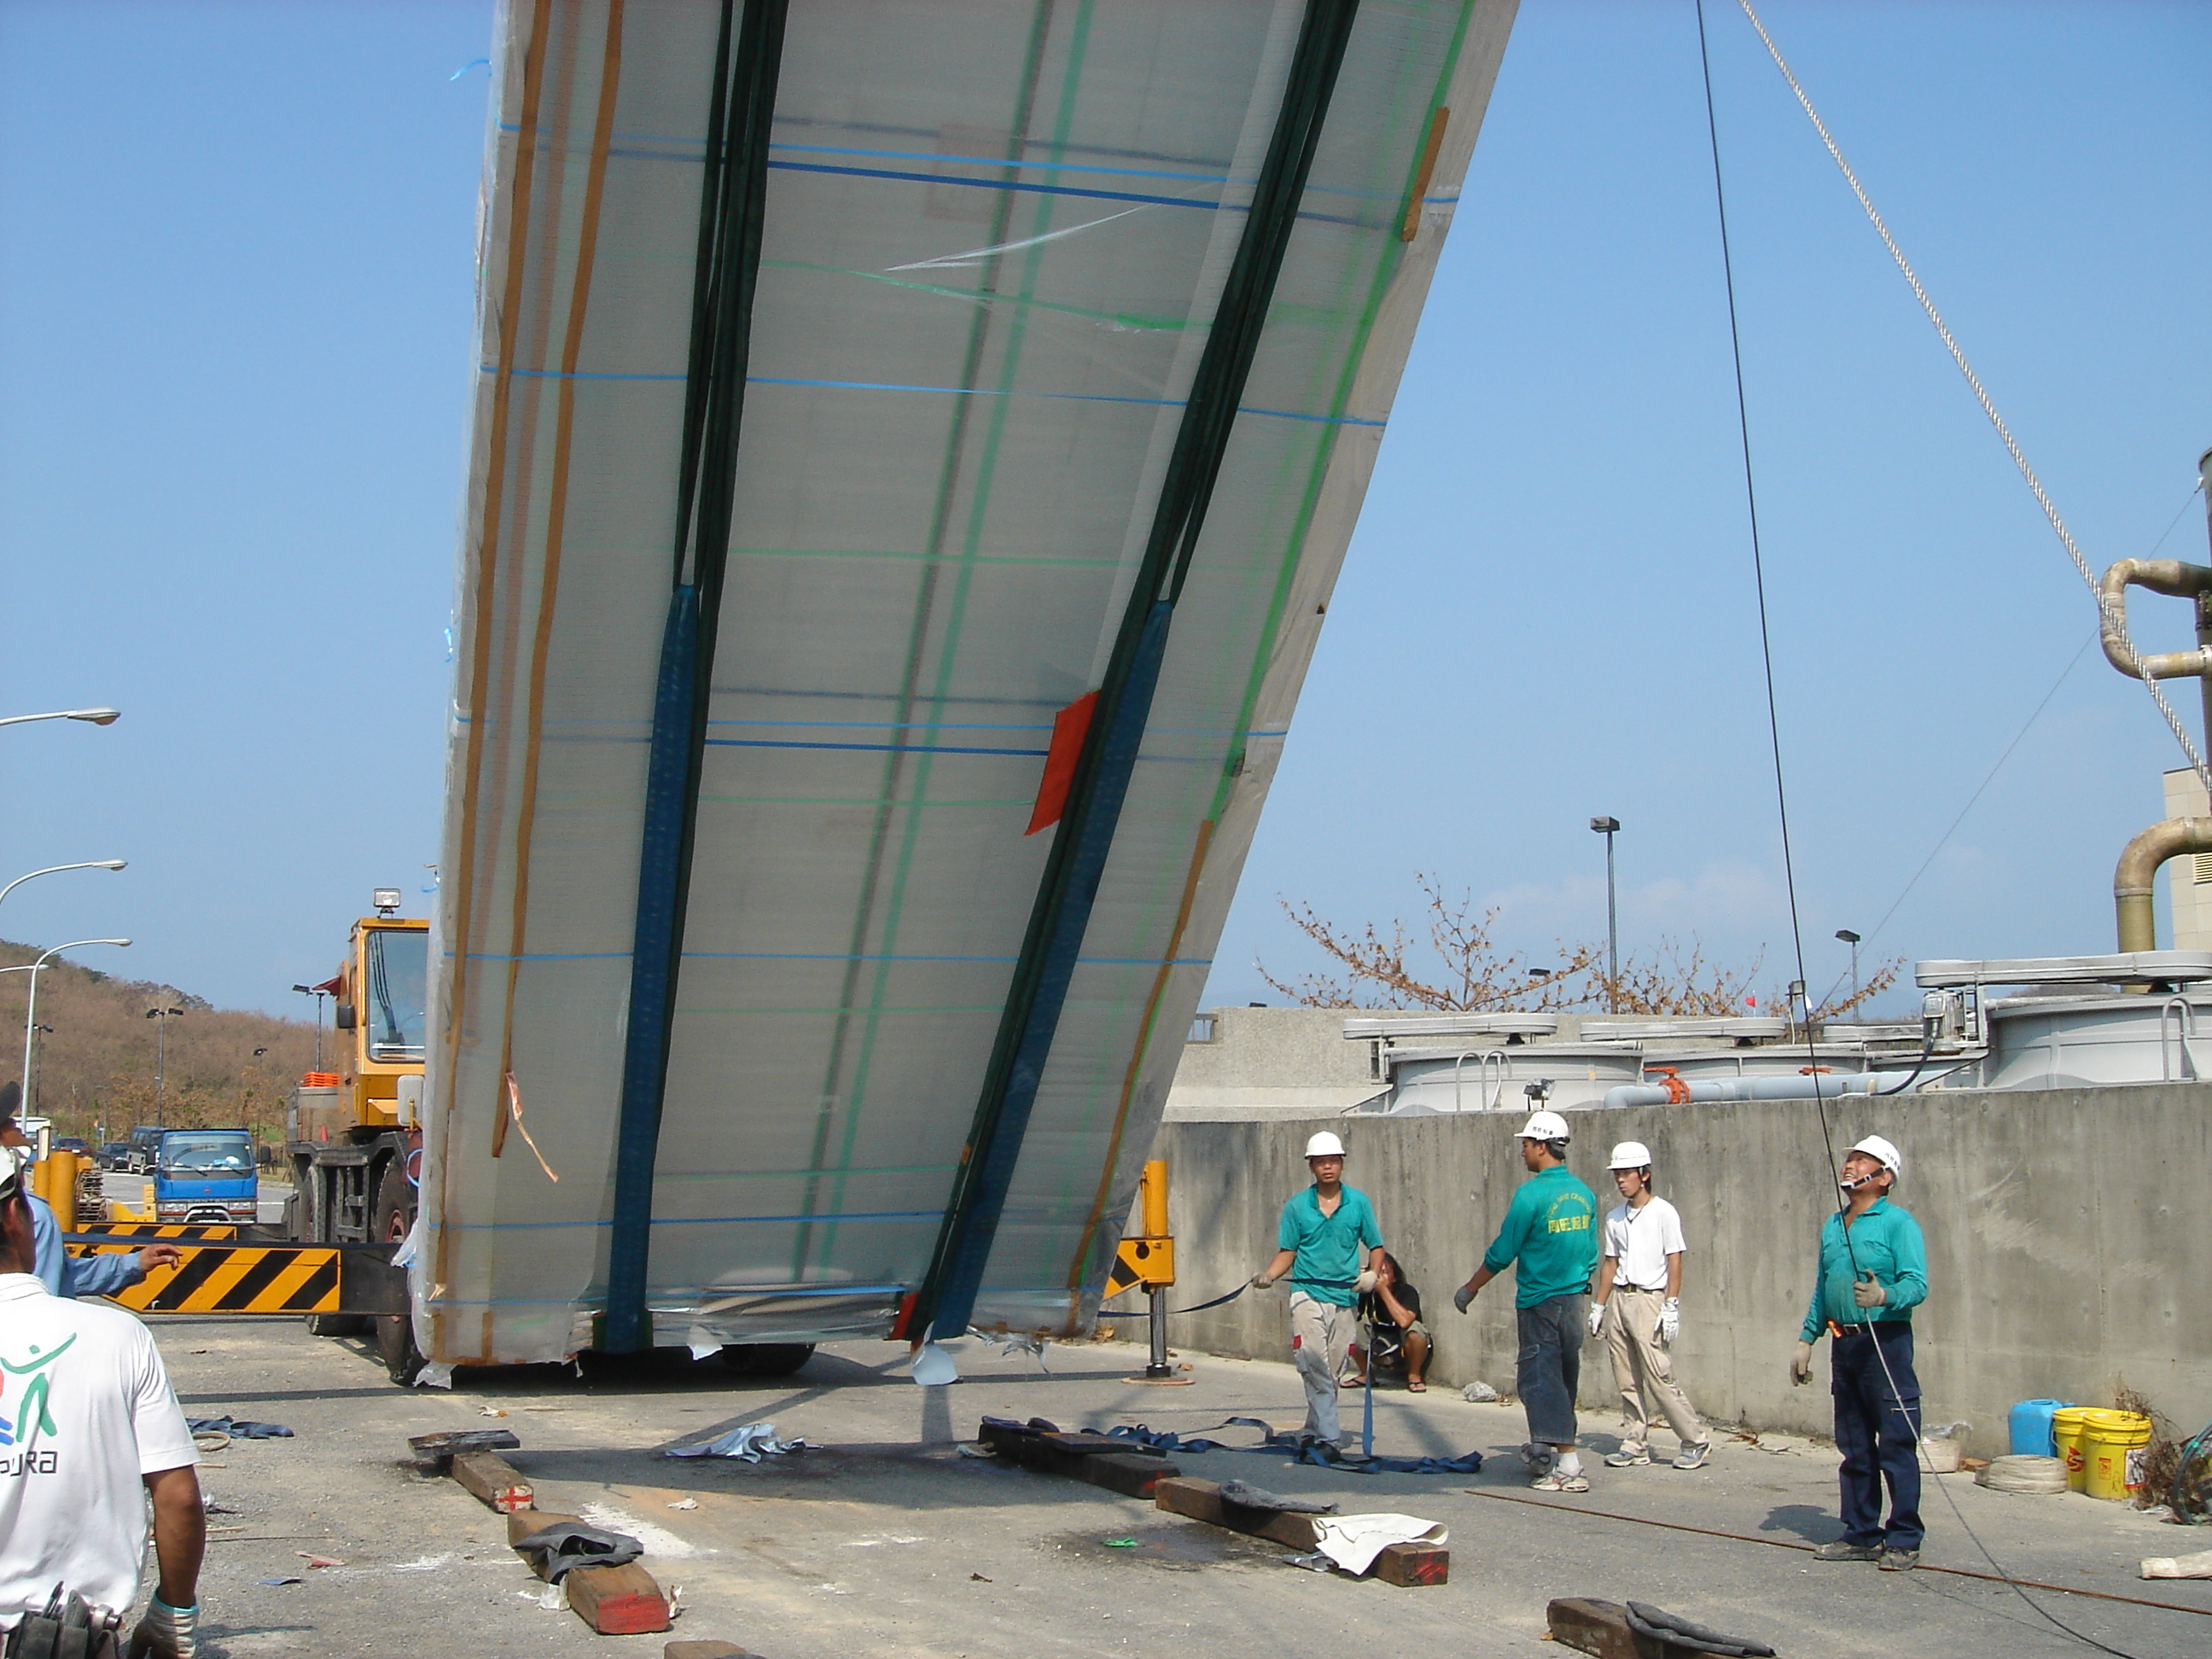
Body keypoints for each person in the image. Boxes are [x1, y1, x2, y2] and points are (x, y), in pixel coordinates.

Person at [0, 1146, 206, 1655]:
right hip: (67, 1639)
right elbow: (178, 1496)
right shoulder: (117, 1338)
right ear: (14, 1217)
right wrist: (173, 1615)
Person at [1791, 1133, 1927, 1573]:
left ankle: (1904, 1537)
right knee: (1854, 1446)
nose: (1849, 1166)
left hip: (1884, 1343)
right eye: (1849, 1158)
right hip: (1843, 1343)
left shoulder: (1898, 1224)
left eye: (1862, 1160)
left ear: (1883, 1177)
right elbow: (1822, 1286)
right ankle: (1861, 1533)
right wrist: (1806, 1339)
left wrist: (1885, 1294)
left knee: (1896, 1444)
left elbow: (1918, 1284)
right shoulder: (1834, 1225)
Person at [1452, 1109, 1598, 1493]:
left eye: (1527, 1145)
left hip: (1540, 1302)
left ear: (1542, 1145)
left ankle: (1567, 1463)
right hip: (1573, 1299)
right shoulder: (1583, 1194)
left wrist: (1471, 1288)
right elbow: (1591, 1252)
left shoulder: (1530, 1195)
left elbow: (1503, 1251)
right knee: (1565, 1378)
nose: (1522, 1152)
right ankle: (1547, 1450)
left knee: (1540, 1379)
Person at [1251, 1131, 1385, 1452]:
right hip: (1306, 1294)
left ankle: (1313, 1429)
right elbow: (1289, 1251)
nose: (1328, 1168)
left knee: (1335, 1369)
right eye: (1321, 1162)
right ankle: (1329, 1436)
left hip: (1345, 1297)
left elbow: (1376, 1245)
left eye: (1333, 1162)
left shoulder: (1359, 1203)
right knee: (1314, 1364)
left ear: (1341, 1164)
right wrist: (1269, 1275)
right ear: (1311, 1166)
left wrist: (1373, 1275)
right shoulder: (1298, 1206)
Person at [1590, 1140, 1708, 1470]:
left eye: (1626, 1173)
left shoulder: (1663, 1212)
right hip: (1621, 1298)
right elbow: (1610, 1264)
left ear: (1644, 1175)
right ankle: (1634, 1443)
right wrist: (1599, 1307)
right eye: (1617, 1174)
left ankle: (1694, 1440)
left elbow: (1675, 1260)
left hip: (1650, 1298)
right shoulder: (1615, 1218)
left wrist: (1671, 1304)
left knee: (1659, 1375)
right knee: (1626, 1377)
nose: (1620, 1180)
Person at [0, 1092, 182, 1298]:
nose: (15, 1123)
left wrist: (134, 1263)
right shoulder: (31, 1213)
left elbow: (62, 1275)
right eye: (6, 1121)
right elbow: (39, 1295)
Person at [1346, 1251, 1429, 1392]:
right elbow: (1353, 1314)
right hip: (1379, 1340)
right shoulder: (1368, 1293)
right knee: (1347, 1325)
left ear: (1394, 1276)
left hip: (1403, 1342)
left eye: (1384, 1272)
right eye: (1376, 1273)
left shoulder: (1407, 1291)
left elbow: (1404, 1321)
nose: (1379, 1277)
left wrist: (1383, 1290)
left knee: (1416, 1330)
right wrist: (1355, 1283)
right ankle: (1366, 1375)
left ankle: (1414, 1375)